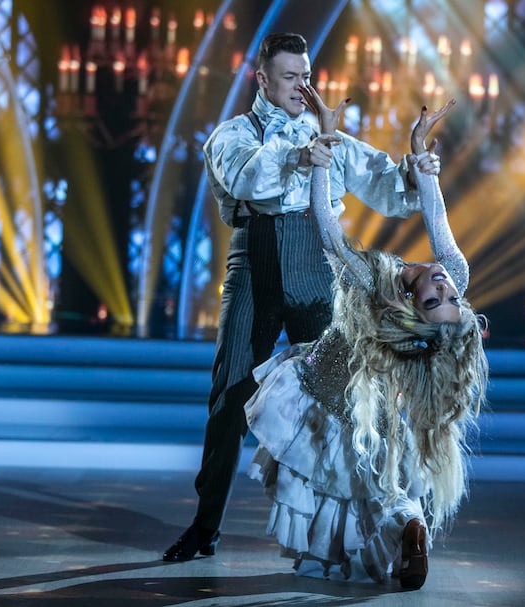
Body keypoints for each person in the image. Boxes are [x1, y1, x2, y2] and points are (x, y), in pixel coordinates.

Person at [164, 32, 449, 562]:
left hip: (319, 263)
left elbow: (383, 181)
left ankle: (354, 536)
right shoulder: (233, 134)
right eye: (291, 76)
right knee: (230, 392)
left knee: (340, 399)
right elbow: (246, 177)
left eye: (307, 75)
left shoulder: (329, 133)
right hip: (254, 262)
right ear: (264, 79)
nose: (303, 86)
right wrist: (300, 155)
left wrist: (414, 167)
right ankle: (205, 526)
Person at [243, 88, 489, 590]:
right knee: (375, 485)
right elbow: (437, 217)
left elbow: (328, 230)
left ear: (411, 311)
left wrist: (326, 146)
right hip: (354, 396)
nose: (446, 286)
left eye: (436, 297)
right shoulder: (456, 274)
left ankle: (404, 531)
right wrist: (420, 152)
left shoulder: (372, 282)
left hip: (334, 398)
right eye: (450, 298)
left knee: (354, 489)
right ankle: (409, 527)